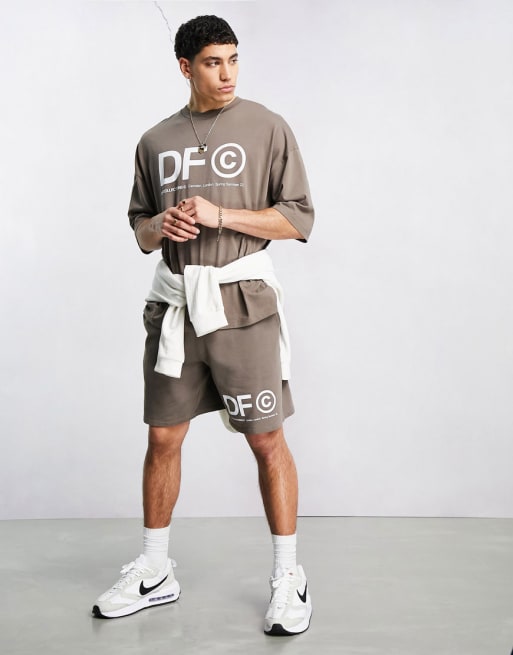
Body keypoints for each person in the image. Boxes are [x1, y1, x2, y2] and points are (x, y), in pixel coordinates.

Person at [92, 15, 314, 636]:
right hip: (175, 308)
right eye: (214, 62)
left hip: (242, 303)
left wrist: (224, 216)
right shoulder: (155, 140)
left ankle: (288, 576)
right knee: (164, 437)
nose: (227, 74)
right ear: (186, 67)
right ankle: (155, 570)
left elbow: (298, 219)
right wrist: (159, 226)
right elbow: (140, 227)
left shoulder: (267, 126)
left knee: (265, 439)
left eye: (234, 60)